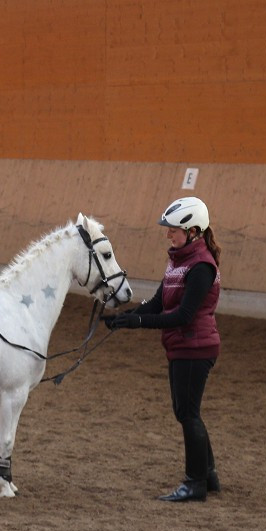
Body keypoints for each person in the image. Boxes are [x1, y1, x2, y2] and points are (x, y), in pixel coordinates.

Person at [104, 196, 222, 502]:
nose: (168, 234)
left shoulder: (201, 268)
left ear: (193, 231)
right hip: (183, 346)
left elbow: (183, 316)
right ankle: (207, 475)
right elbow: (159, 301)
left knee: (187, 413)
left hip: (194, 346)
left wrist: (139, 322)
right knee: (188, 412)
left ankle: (195, 482)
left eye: (174, 230)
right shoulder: (179, 261)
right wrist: (127, 316)